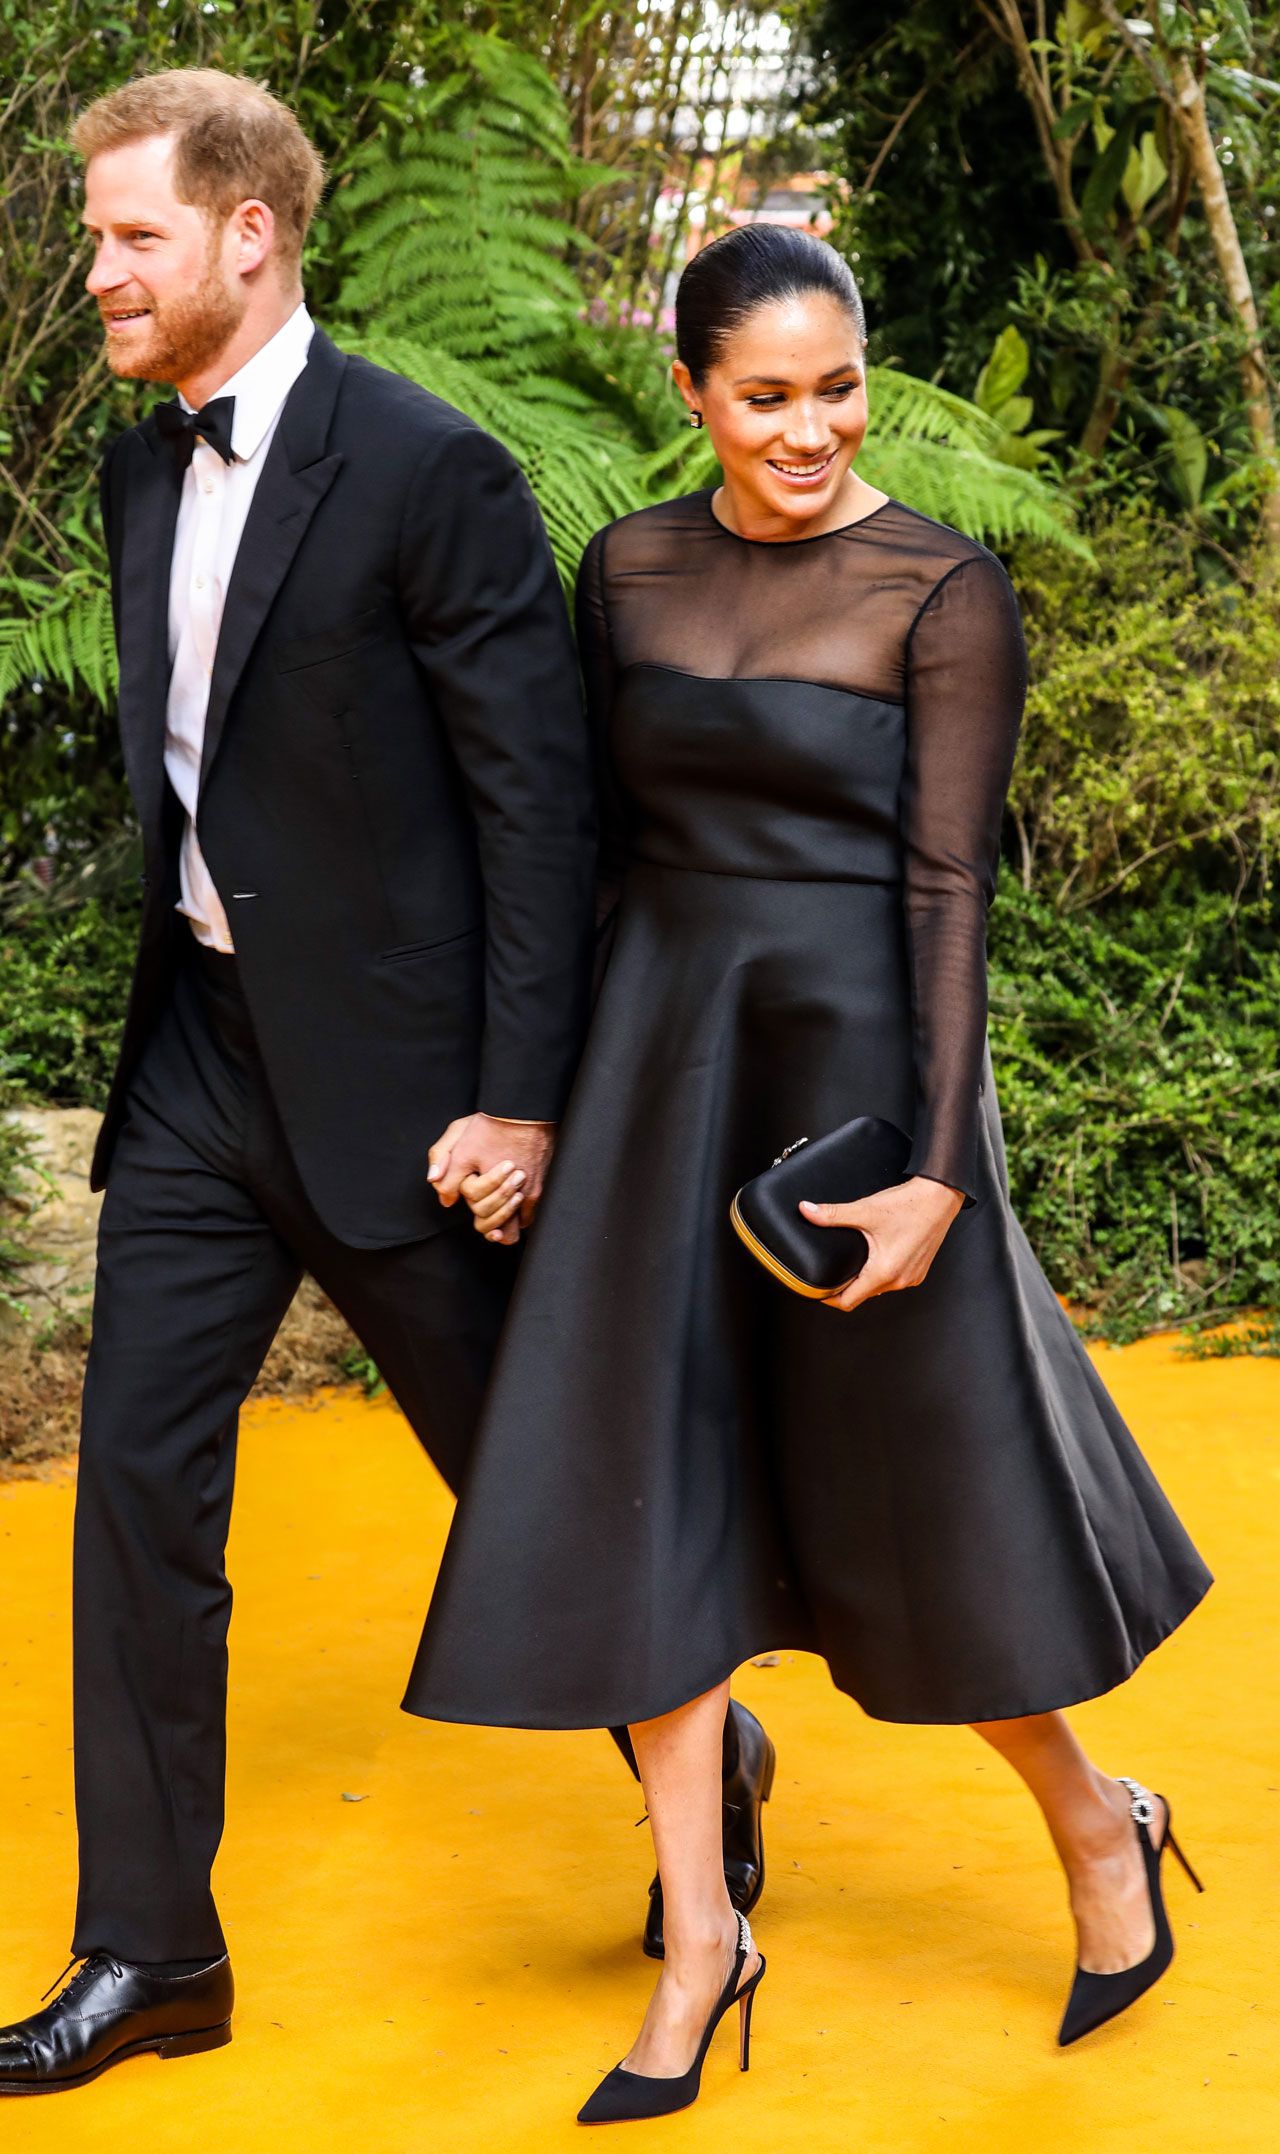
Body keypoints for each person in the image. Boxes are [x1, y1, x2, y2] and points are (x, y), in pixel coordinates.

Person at [0, 71, 772, 2097]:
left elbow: (540, 814)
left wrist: (520, 1103)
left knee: (539, 1490)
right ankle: (152, 1951)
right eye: (96, 238)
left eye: (130, 237)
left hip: (419, 1102)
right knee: (135, 1506)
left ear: (248, 234)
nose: (99, 272)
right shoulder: (139, 469)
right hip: (200, 1070)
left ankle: (710, 1750)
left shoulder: (430, 470)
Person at [405, 224, 1213, 2122]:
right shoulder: (625, 571)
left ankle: (1101, 1826)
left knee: (920, 1503)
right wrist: (541, 1103)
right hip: (656, 1065)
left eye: (837, 387)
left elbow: (950, 893)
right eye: (765, 394)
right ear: (687, 390)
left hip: (855, 1084)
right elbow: (586, 856)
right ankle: (701, 1939)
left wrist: (937, 1169)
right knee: (645, 1498)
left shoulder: (941, 590)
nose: (810, 428)